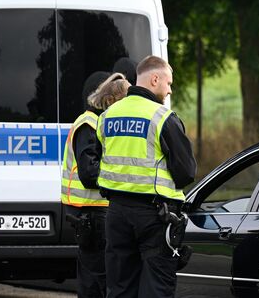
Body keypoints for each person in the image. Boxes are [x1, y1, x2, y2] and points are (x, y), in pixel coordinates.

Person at [96, 56, 196, 297]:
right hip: (153, 216)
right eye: (168, 83)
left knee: (120, 287)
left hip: (116, 213)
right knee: (155, 287)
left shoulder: (108, 115)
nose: (169, 89)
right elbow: (187, 171)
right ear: (154, 79)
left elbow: (102, 158)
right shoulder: (162, 117)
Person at [61, 72, 131, 298]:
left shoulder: (99, 123)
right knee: (96, 277)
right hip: (90, 211)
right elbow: (90, 173)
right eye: (125, 101)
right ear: (110, 101)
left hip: (95, 211)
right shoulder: (89, 124)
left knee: (98, 274)